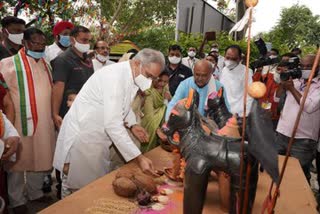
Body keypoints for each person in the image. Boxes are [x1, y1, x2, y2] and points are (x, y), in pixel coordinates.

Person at [53, 48, 165, 198]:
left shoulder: (130, 75)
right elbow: (113, 124)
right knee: (78, 192)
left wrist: (133, 125)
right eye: (149, 76)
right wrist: (139, 158)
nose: (150, 81)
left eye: (153, 78)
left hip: (96, 136)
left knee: (91, 188)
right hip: (84, 136)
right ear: (137, 63)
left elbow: (123, 107)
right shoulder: (115, 76)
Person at [0, 27, 55, 213]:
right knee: (17, 162)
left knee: (40, 157)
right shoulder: (8, 64)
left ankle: (36, 193)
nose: (39, 47)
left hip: (44, 122)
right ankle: (16, 200)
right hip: (19, 121)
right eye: (35, 43)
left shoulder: (46, 64)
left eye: (42, 43)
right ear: (25, 42)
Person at [275, 54, 320, 183]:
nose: (304, 69)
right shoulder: (294, 79)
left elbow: (309, 107)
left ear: (317, 67)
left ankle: (302, 201)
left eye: (309, 67)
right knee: (277, 170)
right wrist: (282, 84)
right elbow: (276, 98)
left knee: (297, 176)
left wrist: (291, 88)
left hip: (303, 140)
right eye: (302, 66)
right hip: (282, 133)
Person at [52, 25, 93, 130]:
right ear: (72, 40)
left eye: (88, 41)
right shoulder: (62, 60)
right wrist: (55, 114)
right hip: (68, 112)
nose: (87, 44)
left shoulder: (88, 59)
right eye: (84, 40)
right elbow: (58, 88)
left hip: (86, 111)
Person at [140, 71, 171, 153]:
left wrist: (168, 98)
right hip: (147, 119)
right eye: (160, 80)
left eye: (165, 81)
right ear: (154, 78)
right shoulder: (148, 91)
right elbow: (148, 114)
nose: (162, 84)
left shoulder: (165, 88)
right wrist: (158, 131)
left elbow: (170, 102)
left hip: (161, 121)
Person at [219, 45, 253, 116]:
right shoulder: (224, 70)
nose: (230, 61)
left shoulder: (247, 72)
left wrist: (244, 114)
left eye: (233, 59)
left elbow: (249, 95)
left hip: (238, 113)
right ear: (224, 56)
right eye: (227, 58)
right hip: (223, 111)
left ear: (240, 59)